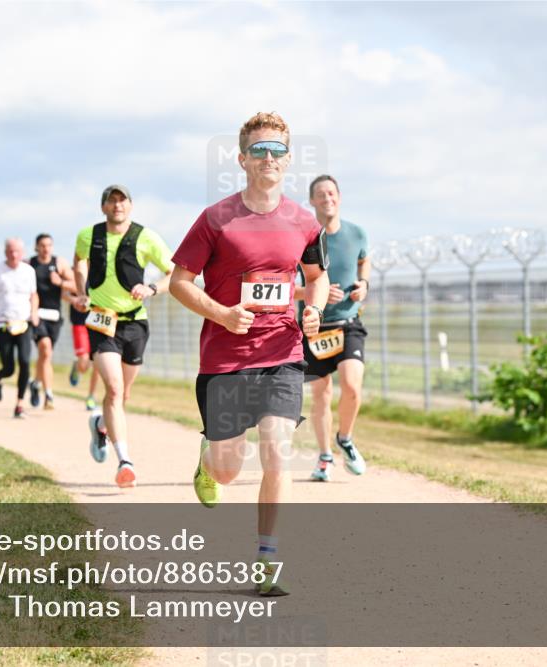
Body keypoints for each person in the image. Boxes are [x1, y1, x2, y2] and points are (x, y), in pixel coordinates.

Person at [170, 112, 329, 596]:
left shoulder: (303, 221)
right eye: (258, 150)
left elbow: (316, 278)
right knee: (228, 469)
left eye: (277, 150)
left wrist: (314, 311)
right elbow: (179, 282)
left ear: (289, 158)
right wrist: (221, 313)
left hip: (282, 351)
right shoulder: (216, 219)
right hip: (224, 359)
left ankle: (267, 558)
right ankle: (207, 459)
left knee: (279, 449)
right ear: (241, 159)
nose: (268, 158)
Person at [73, 185, 174, 488]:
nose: (117, 205)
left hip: (135, 323)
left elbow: (174, 273)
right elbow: (78, 260)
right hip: (102, 322)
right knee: (114, 390)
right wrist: (81, 292)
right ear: (103, 207)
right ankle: (124, 460)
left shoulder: (147, 237)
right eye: (111, 201)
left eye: (122, 200)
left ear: (130, 206)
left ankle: (100, 425)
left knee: (123, 395)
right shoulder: (88, 235)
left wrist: (151, 288)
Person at [298, 175, 370, 481]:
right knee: (321, 395)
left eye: (331, 193)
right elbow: (287, 288)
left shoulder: (356, 233)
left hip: (347, 324)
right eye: (320, 194)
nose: (327, 198)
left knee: (352, 387)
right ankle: (325, 456)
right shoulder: (302, 236)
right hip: (314, 326)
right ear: (312, 201)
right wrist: (317, 293)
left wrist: (363, 284)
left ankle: (346, 438)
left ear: (339, 197)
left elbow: (364, 261)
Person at [0, 238, 38, 419]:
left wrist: (34, 312)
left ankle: (19, 404)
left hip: (23, 323)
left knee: (25, 361)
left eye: (17, 251)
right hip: (2, 324)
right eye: (10, 251)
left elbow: (33, 295)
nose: (14, 255)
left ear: (22, 253)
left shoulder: (29, 271)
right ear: (5, 252)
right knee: (9, 367)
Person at [28, 233, 75, 410]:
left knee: (45, 355)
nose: (46, 248)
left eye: (49, 245)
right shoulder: (29, 264)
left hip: (54, 316)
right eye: (42, 245)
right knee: (45, 349)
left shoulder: (60, 264)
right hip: (36, 315)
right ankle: (49, 395)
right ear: (36, 247)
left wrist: (61, 281)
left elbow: (77, 286)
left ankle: (35, 383)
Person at [67, 288, 101, 411]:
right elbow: (63, 294)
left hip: (99, 321)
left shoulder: (105, 271)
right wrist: (76, 299)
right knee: (84, 365)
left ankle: (91, 396)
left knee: (99, 362)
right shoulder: (75, 272)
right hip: (80, 322)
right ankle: (77, 366)